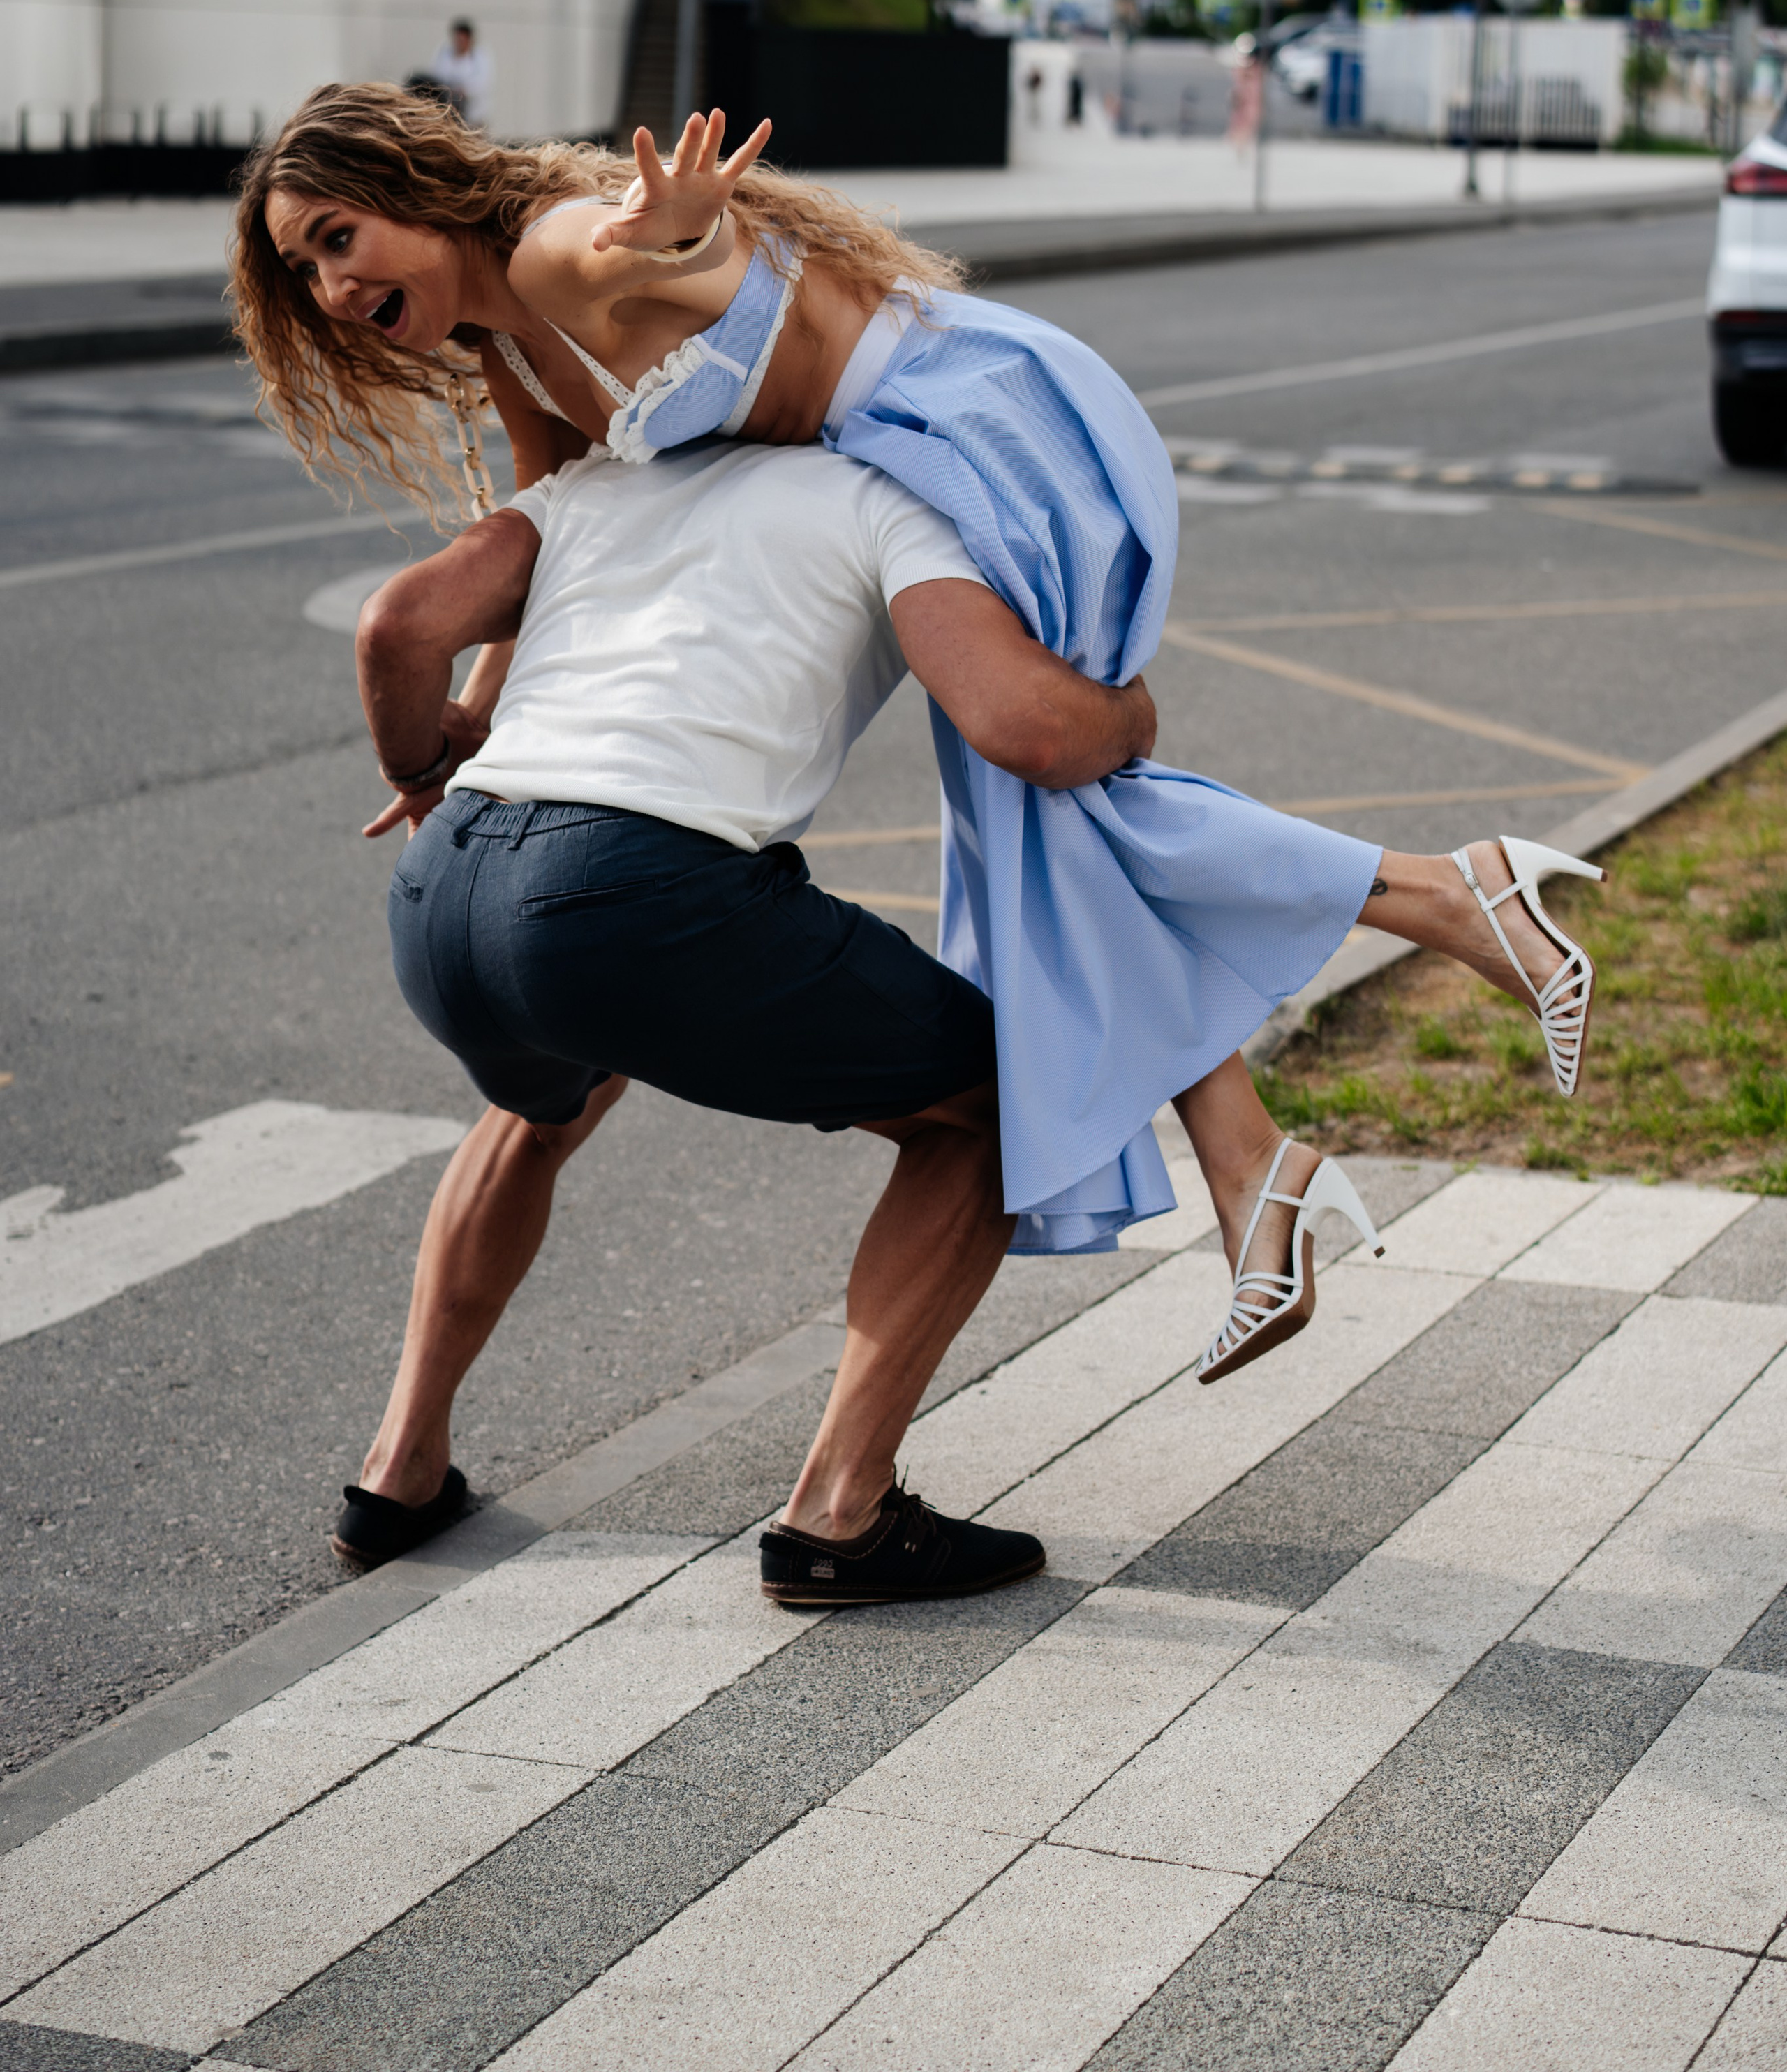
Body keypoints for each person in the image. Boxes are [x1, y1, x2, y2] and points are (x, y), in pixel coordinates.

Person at [228, 84, 1599, 1293]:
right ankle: (1271, 1153)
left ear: (409, 189)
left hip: (971, 423)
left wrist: (676, 232)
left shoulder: (547, 252)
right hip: (915, 454)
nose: (334, 291)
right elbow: (552, 547)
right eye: (306, 275)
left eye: (339, 240)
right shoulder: (510, 348)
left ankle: (1424, 922)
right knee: (1038, 808)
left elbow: (618, 248)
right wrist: (477, 734)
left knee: (1037, 763)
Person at [337, 431, 1583, 1581]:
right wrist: (1126, 713)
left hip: (442, 896)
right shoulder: (884, 496)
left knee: (547, 1102)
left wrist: (421, 766)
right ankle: (839, 1513)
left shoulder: (600, 481)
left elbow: (398, 627)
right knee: (997, 1112)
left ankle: (398, 1474)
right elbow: (1031, 732)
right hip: (632, 898)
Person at [428, 19, 492, 128]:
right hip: (447, 113)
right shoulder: (444, 53)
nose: (460, 42)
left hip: (473, 116)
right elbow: (436, 77)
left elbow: (482, 83)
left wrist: (464, 91)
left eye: (463, 39)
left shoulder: (480, 57)